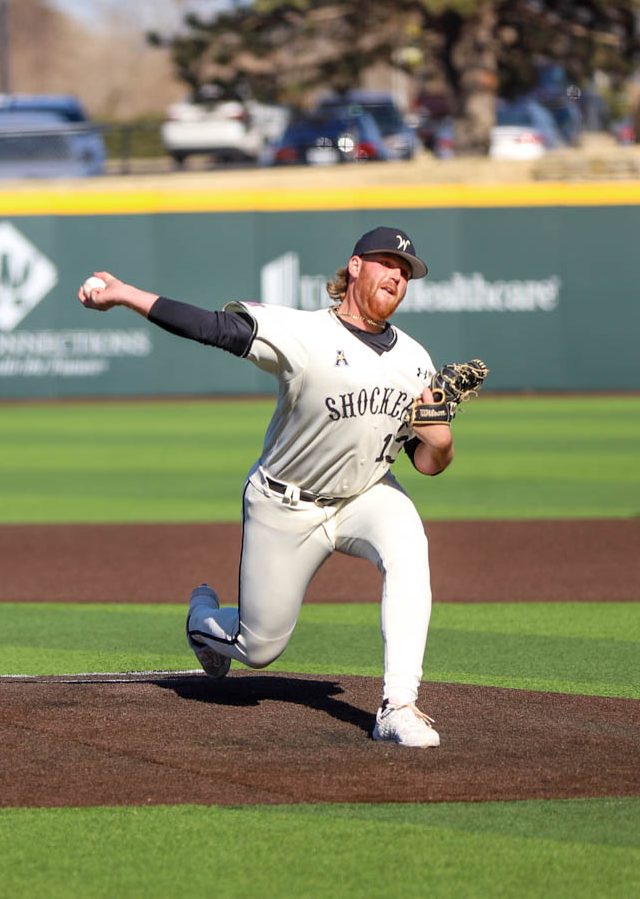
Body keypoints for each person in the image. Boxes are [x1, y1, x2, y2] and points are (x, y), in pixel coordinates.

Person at [78, 226, 467, 748]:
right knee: (258, 647)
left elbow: (427, 461)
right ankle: (202, 620)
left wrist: (440, 440)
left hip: (366, 494)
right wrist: (127, 295)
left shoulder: (415, 359)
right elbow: (213, 328)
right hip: (286, 504)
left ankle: (398, 705)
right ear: (354, 267)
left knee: (410, 548)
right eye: (385, 263)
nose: (396, 276)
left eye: (406, 272)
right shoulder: (302, 333)